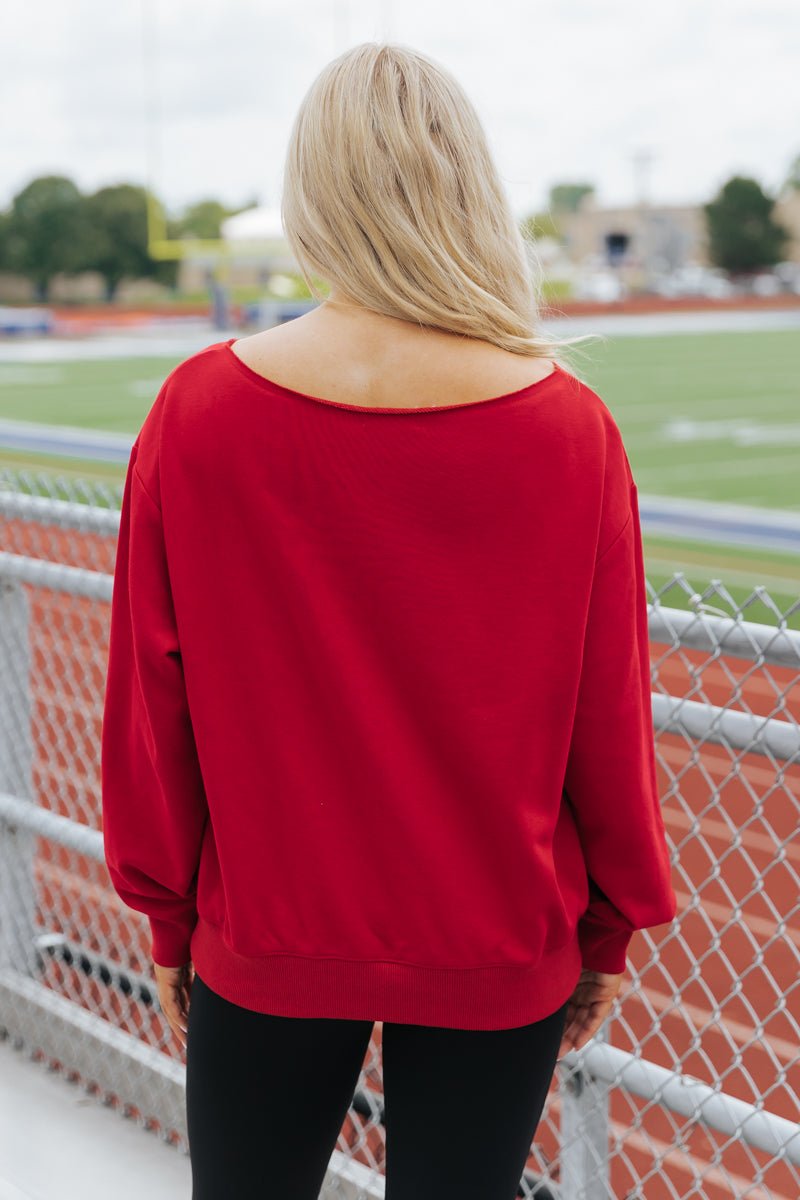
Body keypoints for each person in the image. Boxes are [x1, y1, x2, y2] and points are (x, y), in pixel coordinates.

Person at [101, 41, 677, 1200]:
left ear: (313, 194)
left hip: (265, 929)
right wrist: (607, 927)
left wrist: (169, 914)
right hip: (497, 938)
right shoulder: (569, 431)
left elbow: (145, 705)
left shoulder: (198, 414)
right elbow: (604, 715)